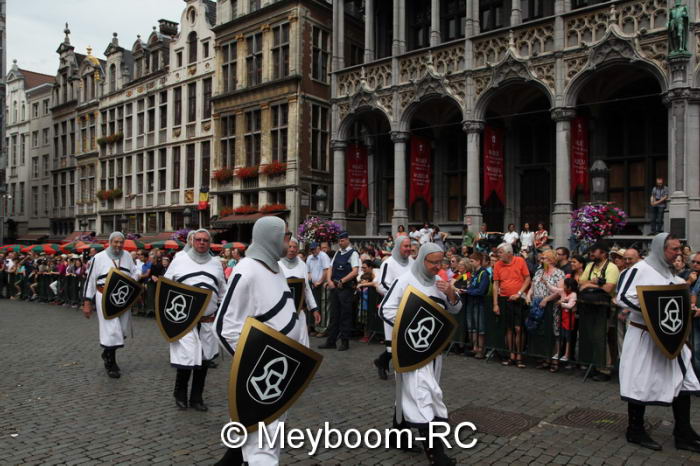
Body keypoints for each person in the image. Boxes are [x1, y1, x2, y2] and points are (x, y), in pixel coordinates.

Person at [214, 216, 309, 465]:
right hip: (263, 374)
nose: (289, 242)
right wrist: (253, 364)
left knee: (266, 431)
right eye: (286, 236)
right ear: (272, 237)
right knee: (263, 442)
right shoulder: (246, 271)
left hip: (281, 369)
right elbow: (224, 327)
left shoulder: (276, 268)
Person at [378, 243, 462, 465]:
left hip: (433, 352)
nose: (437, 266)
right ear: (422, 259)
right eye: (433, 262)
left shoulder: (439, 282)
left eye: (440, 262)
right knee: (422, 395)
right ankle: (436, 455)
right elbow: (386, 309)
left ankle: (398, 435)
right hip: (410, 350)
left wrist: (450, 293)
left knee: (411, 392)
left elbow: (454, 309)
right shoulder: (404, 280)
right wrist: (409, 327)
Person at [617, 233, 700, 452]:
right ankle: (635, 430)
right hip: (645, 336)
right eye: (674, 249)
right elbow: (623, 297)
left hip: (670, 337)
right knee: (640, 381)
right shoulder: (639, 270)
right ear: (660, 249)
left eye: (679, 249)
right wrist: (654, 311)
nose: (678, 253)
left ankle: (683, 432)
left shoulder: (671, 272)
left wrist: (687, 309)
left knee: (683, 380)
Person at [164, 229, 226, 411]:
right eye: (198, 239)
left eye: (205, 240)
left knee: (204, 361)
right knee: (186, 359)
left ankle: (197, 398)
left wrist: (223, 313)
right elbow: (166, 286)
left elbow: (223, 290)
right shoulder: (180, 260)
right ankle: (180, 393)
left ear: (209, 243)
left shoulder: (216, 264)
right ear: (192, 241)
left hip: (208, 320)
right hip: (185, 321)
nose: (201, 243)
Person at [82, 232, 139, 379]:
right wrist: (87, 301)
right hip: (104, 297)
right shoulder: (98, 258)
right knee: (111, 330)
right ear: (110, 242)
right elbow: (90, 280)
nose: (118, 245)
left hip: (123, 298)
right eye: (116, 242)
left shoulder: (127, 256)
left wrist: (133, 281)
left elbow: (135, 272)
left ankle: (106, 353)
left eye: (121, 242)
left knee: (121, 330)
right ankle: (111, 363)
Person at [579, 242, 620, 381]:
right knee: (590, 336)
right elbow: (580, 282)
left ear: (603, 253)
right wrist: (595, 282)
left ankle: (605, 369)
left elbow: (608, 288)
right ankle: (594, 365)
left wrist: (589, 285)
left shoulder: (612, 267)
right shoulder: (590, 266)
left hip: (605, 308)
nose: (591, 254)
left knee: (600, 337)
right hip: (589, 306)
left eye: (594, 251)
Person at [374, 236, 413, 380]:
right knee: (393, 344)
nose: (409, 249)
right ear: (398, 247)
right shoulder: (388, 263)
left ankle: (386, 363)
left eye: (409, 246)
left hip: (410, 307)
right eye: (405, 246)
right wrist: (400, 294)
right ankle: (383, 363)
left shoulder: (413, 262)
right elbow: (382, 284)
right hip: (393, 308)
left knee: (406, 341)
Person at [493, 242, 531, 368]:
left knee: (518, 328)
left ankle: (519, 355)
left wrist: (519, 293)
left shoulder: (520, 261)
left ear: (509, 253)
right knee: (508, 328)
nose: (498, 255)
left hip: (519, 299)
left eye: (500, 252)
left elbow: (527, 278)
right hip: (505, 299)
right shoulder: (498, 265)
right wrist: (495, 304)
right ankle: (511, 355)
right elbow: (496, 284)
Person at [319, 231, 359, 352]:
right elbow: (330, 268)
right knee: (334, 315)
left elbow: (355, 271)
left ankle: (344, 342)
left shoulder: (353, 253)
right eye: (339, 241)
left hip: (346, 288)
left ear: (347, 240)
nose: (340, 243)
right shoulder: (337, 252)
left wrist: (343, 280)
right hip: (335, 287)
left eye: (342, 240)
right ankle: (331, 341)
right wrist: (329, 280)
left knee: (345, 316)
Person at [526, 249, 565, 372]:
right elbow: (533, 287)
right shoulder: (539, 272)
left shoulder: (559, 273)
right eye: (541, 258)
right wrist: (528, 295)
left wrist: (547, 299)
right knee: (541, 332)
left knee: (553, 333)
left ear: (552, 260)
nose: (541, 260)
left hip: (551, 306)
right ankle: (545, 358)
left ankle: (555, 360)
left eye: (544, 258)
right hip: (537, 305)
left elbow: (560, 290)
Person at [279, 236, 320, 338]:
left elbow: (307, 289)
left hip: (299, 312)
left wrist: (314, 309)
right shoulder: (277, 265)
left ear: (297, 249)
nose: (292, 249)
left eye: (294, 247)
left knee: (301, 341)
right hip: (282, 312)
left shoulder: (302, 265)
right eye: (289, 246)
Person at [464, 252, 490, 359]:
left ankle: (481, 349)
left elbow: (481, 290)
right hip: (471, 302)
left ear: (478, 261)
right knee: (473, 326)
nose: (470, 263)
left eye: (472, 261)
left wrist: (468, 291)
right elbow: (466, 283)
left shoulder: (484, 274)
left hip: (479, 303)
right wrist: (465, 289)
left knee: (480, 327)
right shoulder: (472, 273)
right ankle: (474, 347)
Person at [306, 241, 331, 336]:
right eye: (311, 249)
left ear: (318, 248)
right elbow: (308, 272)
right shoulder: (309, 257)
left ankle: (324, 329)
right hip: (314, 285)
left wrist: (320, 282)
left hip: (323, 284)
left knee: (324, 307)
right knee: (315, 306)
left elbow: (326, 271)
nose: (313, 251)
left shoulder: (323, 256)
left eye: (314, 249)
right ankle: (316, 328)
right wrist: (311, 281)